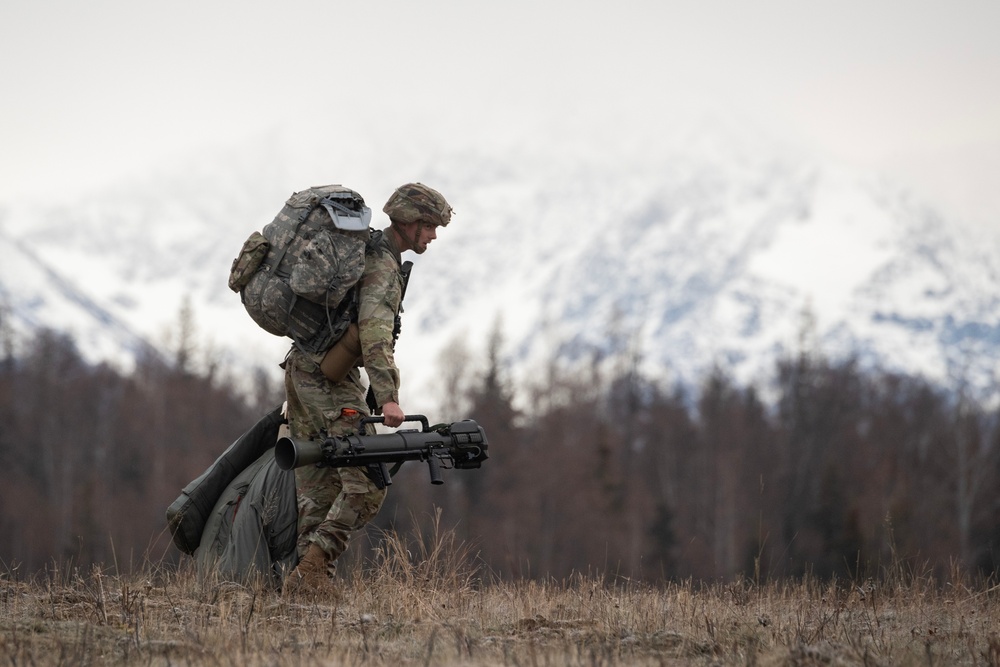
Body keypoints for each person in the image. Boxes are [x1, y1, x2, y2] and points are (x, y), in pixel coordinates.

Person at [281, 182, 453, 596]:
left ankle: (306, 584)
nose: (432, 235)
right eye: (429, 226)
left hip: (303, 370)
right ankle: (311, 571)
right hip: (331, 381)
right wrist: (389, 397)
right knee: (367, 484)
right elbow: (375, 334)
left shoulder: (368, 252)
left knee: (318, 483)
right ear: (410, 223)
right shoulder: (381, 266)